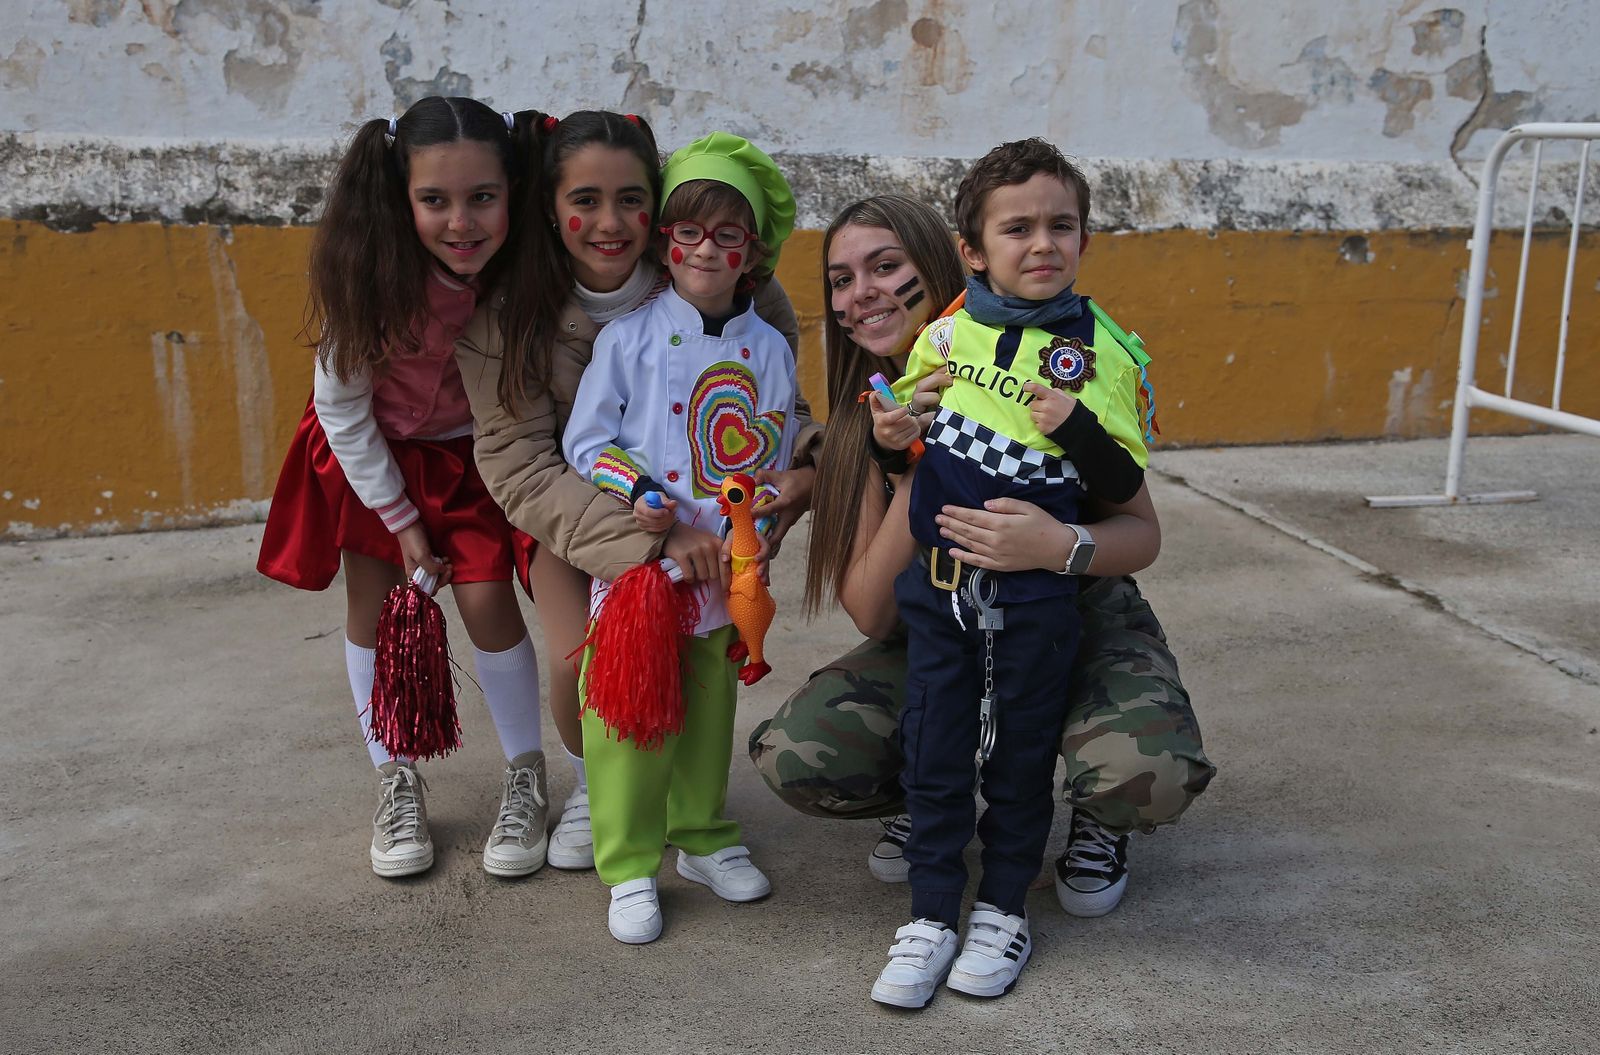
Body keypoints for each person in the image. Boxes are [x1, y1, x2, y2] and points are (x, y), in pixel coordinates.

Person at [742, 188, 1213, 1001]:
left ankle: (1095, 811)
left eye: (886, 267)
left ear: (948, 259)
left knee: (1144, 771)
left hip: (1075, 601)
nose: (863, 295)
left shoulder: (1052, 370)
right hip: (947, 609)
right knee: (804, 753)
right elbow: (871, 609)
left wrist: (1057, 544)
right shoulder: (872, 418)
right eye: (843, 280)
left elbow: (1142, 533)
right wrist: (913, 462)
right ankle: (935, 795)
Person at [453, 112, 822, 872]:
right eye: (584, 199)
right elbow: (522, 463)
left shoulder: (730, 280)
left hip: (707, 527)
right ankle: (601, 781)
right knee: (583, 659)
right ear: (550, 207)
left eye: (632, 199)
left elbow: (780, 412)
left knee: (707, 668)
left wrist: (799, 480)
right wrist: (652, 536)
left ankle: (693, 817)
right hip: (567, 508)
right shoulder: (508, 313)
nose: (609, 222)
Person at [256, 97, 550, 880]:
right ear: (400, 198)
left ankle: (527, 772)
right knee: (383, 610)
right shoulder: (371, 278)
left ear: (513, 192)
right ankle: (396, 778)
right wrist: (401, 520)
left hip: (475, 458)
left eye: (482, 196)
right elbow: (341, 407)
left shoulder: (524, 270)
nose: (462, 221)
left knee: (488, 602)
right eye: (435, 200)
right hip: (375, 459)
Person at [561, 133, 799, 944]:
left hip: (726, 574)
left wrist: (758, 528)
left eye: (727, 234)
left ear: (752, 251)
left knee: (707, 706)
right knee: (628, 714)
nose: (706, 249)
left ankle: (700, 835)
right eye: (688, 231)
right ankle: (628, 863)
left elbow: (768, 454)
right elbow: (587, 445)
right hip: (643, 570)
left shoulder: (768, 349)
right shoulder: (626, 337)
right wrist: (647, 505)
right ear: (667, 242)